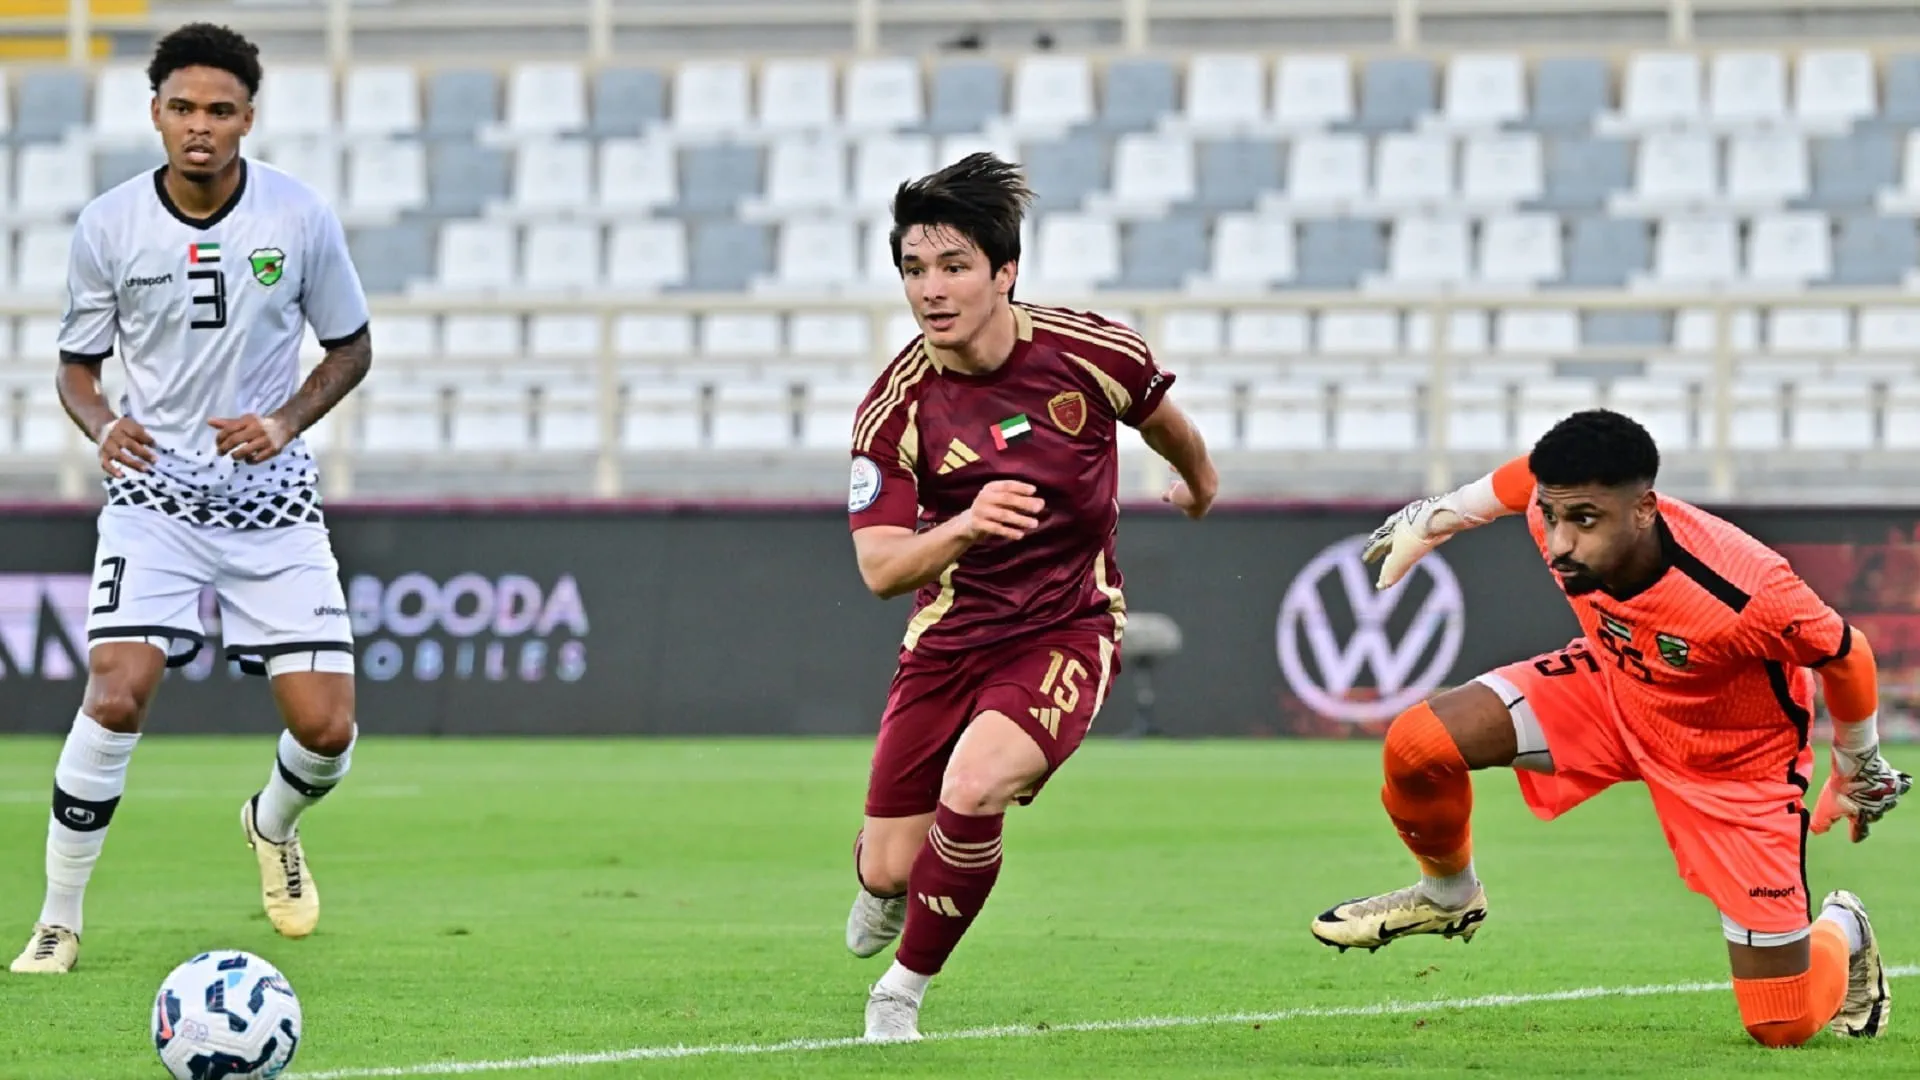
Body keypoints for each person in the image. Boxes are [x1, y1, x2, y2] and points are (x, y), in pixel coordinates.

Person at [1311, 409, 1911, 1046]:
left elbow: (1846, 654)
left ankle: (1844, 928)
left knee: (1780, 1027)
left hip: (1733, 764)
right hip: (1613, 688)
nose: (1561, 540)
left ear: (1645, 510)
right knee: (1418, 742)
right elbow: (1522, 482)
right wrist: (1435, 518)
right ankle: (1448, 894)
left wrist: (1859, 761)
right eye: (1553, 515)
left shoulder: (1746, 587)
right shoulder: (1558, 508)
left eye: (1585, 521)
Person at [10, 23, 373, 974]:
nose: (200, 127)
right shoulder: (110, 224)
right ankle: (58, 917)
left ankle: (271, 821)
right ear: (156, 115)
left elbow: (351, 346)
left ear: (248, 118)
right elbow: (77, 371)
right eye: (182, 109)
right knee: (116, 695)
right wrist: (104, 428)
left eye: (220, 110)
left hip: (273, 503)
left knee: (327, 731)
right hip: (155, 500)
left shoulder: (297, 218)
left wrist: (287, 421)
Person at [843, 153, 1218, 1041]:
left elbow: (1164, 420)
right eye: (913, 270)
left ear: (1004, 271)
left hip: (1067, 624)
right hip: (946, 639)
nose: (931, 290)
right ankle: (883, 885)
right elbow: (882, 569)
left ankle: (901, 993)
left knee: (975, 787)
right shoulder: (895, 408)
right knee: (891, 867)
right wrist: (966, 526)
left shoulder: (1092, 352)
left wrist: (1199, 485)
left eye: (954, 266)